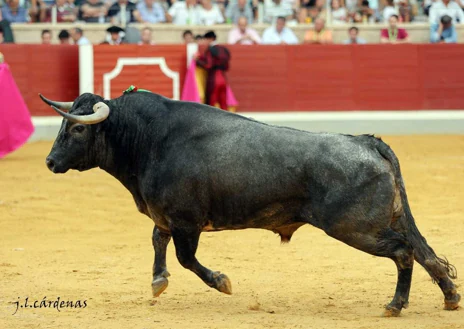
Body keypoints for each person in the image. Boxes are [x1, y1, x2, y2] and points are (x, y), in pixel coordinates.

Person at [195, 31, 231, 111]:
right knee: (224, 104)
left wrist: (197, 61)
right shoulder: (224, 49)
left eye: (206, 39)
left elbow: (208, 65)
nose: (205, 42)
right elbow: (227, 66)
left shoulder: (211, 50)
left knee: (210, 104)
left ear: (210, 39)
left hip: (214, 78)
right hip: (224, 79)